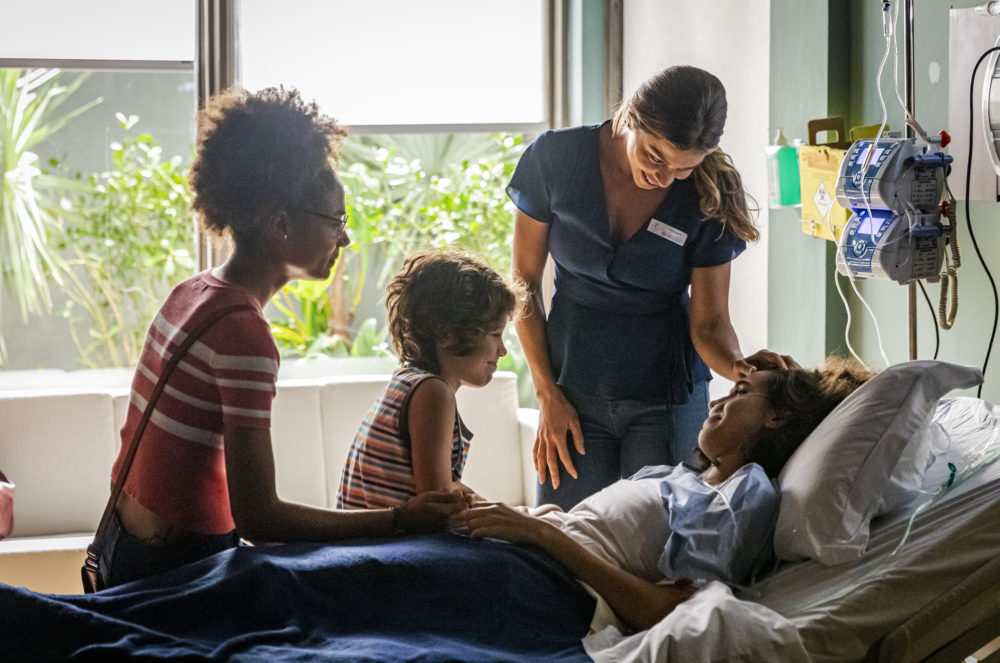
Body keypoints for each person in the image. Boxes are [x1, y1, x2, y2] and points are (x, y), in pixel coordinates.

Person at [102, 87, 465, 589]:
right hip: (178, 569)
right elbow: (261, 518)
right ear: (280, 225)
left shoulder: (193, 292)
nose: (345, 239)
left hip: (124, 546)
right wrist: (402, 519)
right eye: (337, 221)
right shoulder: (243, 333)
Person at [508, 64, 796, 509]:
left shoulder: (709, 192)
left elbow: (711, 322)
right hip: (572, 384)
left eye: (682, 169)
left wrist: (738, 367)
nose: (663, 178)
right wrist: (546, 393)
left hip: (665, 395)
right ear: (631, 118)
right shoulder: (555, 158)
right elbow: (524, 282)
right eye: (655, 156)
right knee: (562, 535)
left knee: (659, 538)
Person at [457, 359, 873, 633]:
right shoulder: (680, 478)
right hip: (523, 561)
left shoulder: (745, 496)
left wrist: (546, 535)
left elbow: (665, 609)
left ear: (777, 416)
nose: (718, 400)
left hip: (544, 588)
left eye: (741, 392)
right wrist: (544, 518)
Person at [337, 249, 525, 509]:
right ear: (446, 333)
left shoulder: (410, 381)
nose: (502, 350)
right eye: (495, 334)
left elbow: (444, 488)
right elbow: (438, 505)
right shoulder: (433, 393)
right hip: (387, 547)